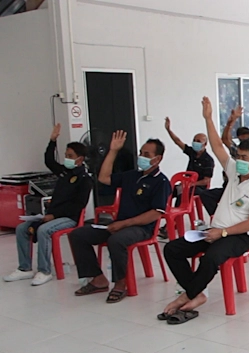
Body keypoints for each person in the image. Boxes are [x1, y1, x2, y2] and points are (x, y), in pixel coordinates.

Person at [159, 97, 249, 323]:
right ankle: (196, 292)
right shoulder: (234, 173)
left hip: (238, 237)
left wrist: (222, 233)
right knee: (172, 249)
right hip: (214, 231)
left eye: (245, 159)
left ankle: (187, 297)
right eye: (238, 157)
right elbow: (218, 146)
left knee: (211, 258)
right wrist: (208, 118)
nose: (239, 161)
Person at [70, 132, 171, 303]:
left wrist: (125, 224)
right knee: (78, 235)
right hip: (120, 224)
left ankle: (120, 283)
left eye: (147, 154)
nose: (142, 157)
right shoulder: (132, 176)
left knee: (116, 240)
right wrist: (113, 151)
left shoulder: (161, 182)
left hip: (141, 229)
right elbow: (103, 178)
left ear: (158, 159)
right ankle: (98, 279)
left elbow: (155, 213)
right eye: (141, 153)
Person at [4, 124, 93, 286]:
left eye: (70, 155)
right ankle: (25, 268)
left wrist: (54, 216)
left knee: (44, 230)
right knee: (21, 228)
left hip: (69, 218)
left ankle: (44, 271)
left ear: (80, 159)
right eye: (66, 155)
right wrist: (52, 141)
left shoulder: (85, 180)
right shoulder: (64, 172)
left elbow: (78, 205)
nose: (66, 158)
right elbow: (49, 160)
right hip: (51, 215)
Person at [160, 117, 215, 239]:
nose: (195, 142)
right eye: (194, 140)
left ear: (205, 144)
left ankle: (171, 226)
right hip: (186, 186)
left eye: (199, 141)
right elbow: (177, 141)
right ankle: (164, 216)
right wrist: (169, 130)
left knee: (183, 193)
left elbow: (206, 181)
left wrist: (191, 185)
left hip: (199, 187)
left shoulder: (208, 160)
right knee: (168, 190)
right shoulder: (192, 153)